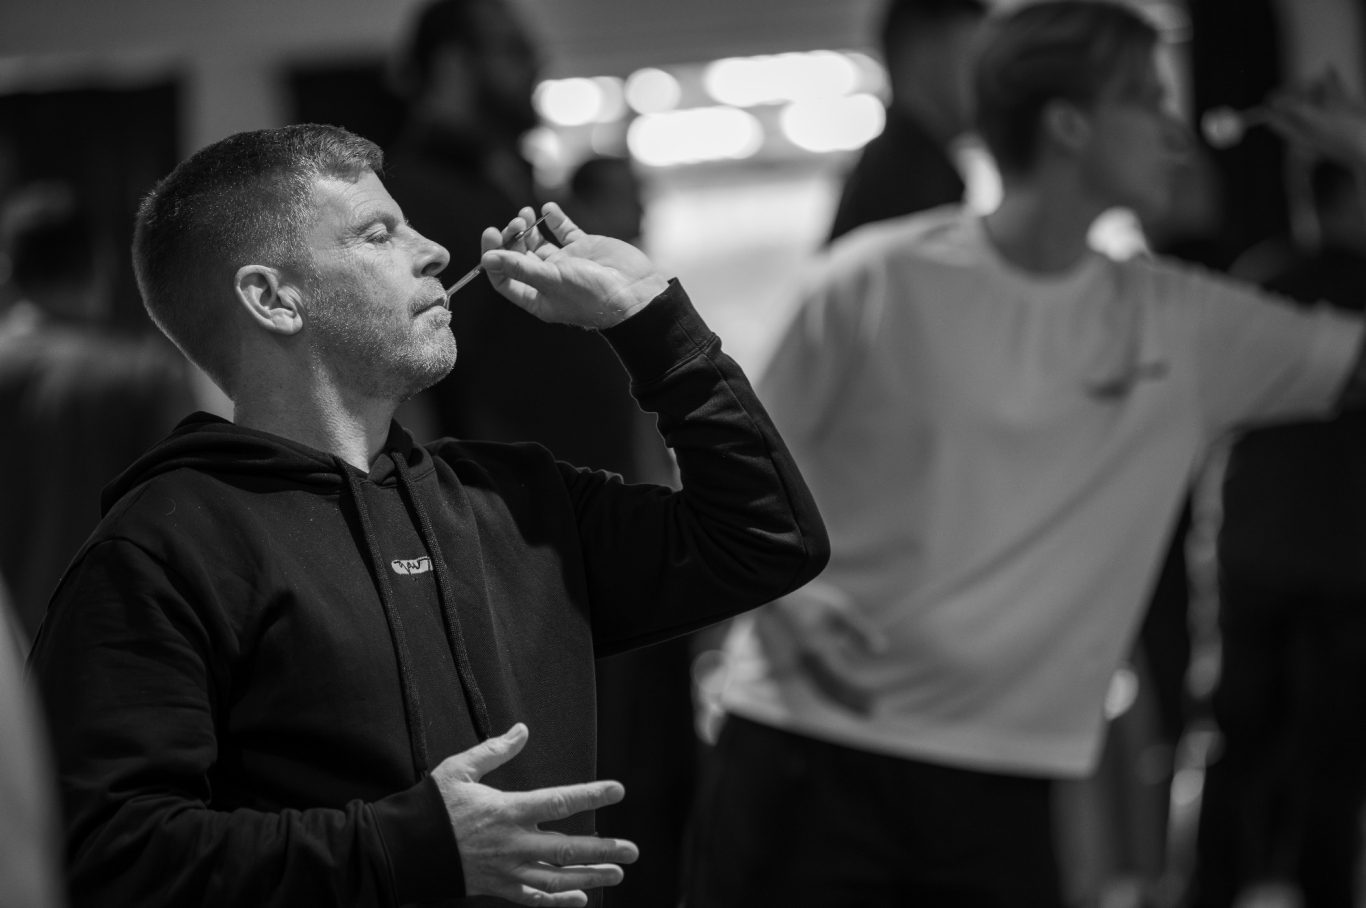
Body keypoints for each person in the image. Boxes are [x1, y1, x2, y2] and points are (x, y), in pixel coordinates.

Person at [26, 123, 828, 908]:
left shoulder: (514, 501)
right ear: (272, 298)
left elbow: (768, 539)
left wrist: (649, 320)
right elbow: (107, 857)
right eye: (379, 234)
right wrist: (416, 846)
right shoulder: (162, 548)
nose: (437, 251)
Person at [687, 3, 1366, 905]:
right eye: (1144, 98)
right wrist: (787, 611)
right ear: (1069, 124)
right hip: (806, 753)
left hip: (1005, 785)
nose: (1175, 130)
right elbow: (724, 475)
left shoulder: (1186, 323)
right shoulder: (875, 279)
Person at [1187, 158, 1366, 908]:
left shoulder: (1261, 278)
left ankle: (1211, 889)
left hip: (1262, 547)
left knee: (1242, 739)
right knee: (1330, 752)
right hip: (1333, 556)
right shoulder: (1286, 282)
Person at [0, 182, 194, 637]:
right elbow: (191, 526)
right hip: (107, 649)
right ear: (100, 266)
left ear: (8, 271)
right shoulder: (144, 376)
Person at [826, 0, 987, 243]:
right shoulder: (911, 176)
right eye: (975, 57)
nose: (989, 78)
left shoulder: (899, 161)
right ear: (924, 54)